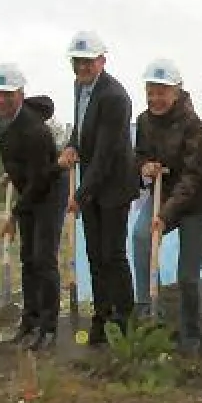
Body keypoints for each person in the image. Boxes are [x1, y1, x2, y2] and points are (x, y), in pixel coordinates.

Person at [131, 59, 202, 353]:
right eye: (151, 91)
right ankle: (146, 312)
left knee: (187, 275)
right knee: (142, 237)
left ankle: (191, 338)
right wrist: (145, 166)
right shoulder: (144, 121)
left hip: (196, 203)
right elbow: (139, 154)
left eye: (162, 92)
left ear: (177, 92)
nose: (156, 98)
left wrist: (166, 216)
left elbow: (193, 178)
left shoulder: (194, 128)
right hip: (163, 193)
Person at [57, 31, 139, 345]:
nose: (82, 67)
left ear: (102, 61)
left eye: (88, 62)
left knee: (113, 254)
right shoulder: (80, 87)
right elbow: (81, 128)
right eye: (77, 62)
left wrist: (80, 194)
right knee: (94, 254)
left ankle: (124, 318)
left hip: (114, 184)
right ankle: (101, 316)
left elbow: (106, 153)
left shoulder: (115, 97)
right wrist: (71, 146)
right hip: (92, 183)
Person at [0, 64, 68, 351]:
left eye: (8, 95)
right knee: (27, 259)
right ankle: (29, 322)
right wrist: (12, 171)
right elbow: (10, 149)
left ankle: (48, 327)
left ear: (20, 94)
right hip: (30, 183)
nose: (2, 101)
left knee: (43, 258)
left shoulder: (35, 131)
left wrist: (15, 215)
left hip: (49, 189)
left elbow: (40, 180)